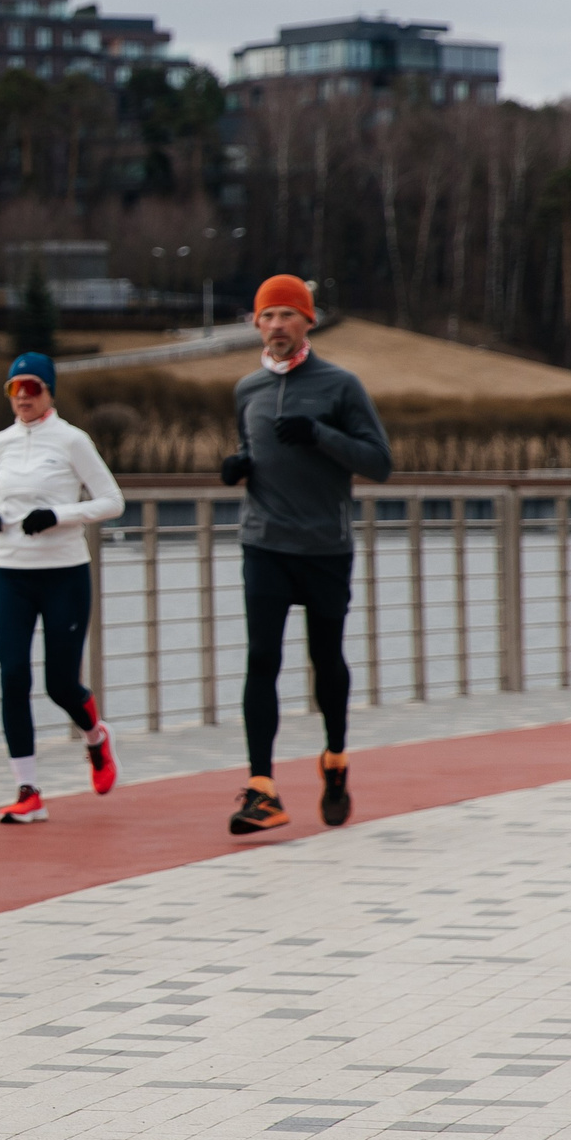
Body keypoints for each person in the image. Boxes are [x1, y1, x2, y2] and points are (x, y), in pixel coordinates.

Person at [218, 275, 392, 836]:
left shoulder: (340, 386)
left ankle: (335, 760)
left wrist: (318, 434)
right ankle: (262, 787)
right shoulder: (247, 390)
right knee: (261, 660)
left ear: (307, 323)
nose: (276, 327)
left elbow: (379, 461)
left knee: (327, 659)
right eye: (267, 317)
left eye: (287, 316)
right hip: (264, 542)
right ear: (255, 324)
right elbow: (252, 449)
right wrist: (238, 466)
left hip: (323, 546)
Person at [0, 352, 123, 824]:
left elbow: (111, 501)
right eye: (15, 388)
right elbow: (6, 494)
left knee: (61, 684)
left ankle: (96, 738)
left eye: (32, 387)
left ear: (49, 392)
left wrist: (60, 515)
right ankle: (28, 791)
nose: (22, 396)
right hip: (10, 571)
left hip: (63, 573)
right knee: (13, 675)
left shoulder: (72, 440)